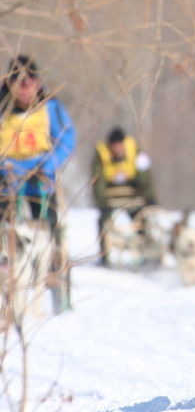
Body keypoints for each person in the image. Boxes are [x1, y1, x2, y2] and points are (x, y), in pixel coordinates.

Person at [0, 54, 76, 312]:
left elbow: (66, 139)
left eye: (29, 82)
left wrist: (49, 164)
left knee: (51, 232)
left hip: (42, 179)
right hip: (8, 179)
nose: (24, 88)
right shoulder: (2, 108)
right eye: (18, 83)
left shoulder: (51, 107)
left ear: (37, 82)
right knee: (5, 233)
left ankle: (57, 283)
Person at [91, 126, 157, 266]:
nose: (117, 150)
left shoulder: (134, 150)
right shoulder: (101, 153)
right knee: (104, 222)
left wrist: (149, 196)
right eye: (114, 147)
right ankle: (105, 254)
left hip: (132, 194)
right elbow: (97, 179)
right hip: (110, 195)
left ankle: (146, 251)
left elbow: (145, 174)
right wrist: (101, 200)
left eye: (119, 146)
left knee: (141, 219)